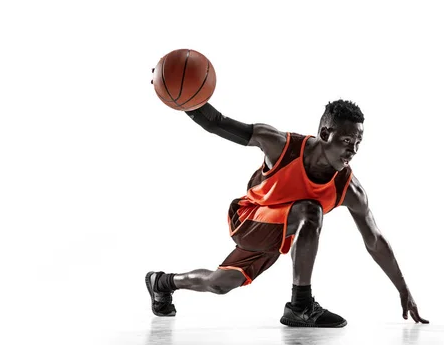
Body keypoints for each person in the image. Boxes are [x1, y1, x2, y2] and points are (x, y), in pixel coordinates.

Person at [145, 100, 429, 327]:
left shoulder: (349, 189)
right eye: (346, 141)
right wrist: (183, 98)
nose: (353, 150)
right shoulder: (281, 146)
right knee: (311, 210)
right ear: (326, 134)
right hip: (249, 218)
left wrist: (403, 289)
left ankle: (163, 282)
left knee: (220, 284)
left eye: (358, 143)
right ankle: (300, 305)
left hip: (280, 231)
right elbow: (217, 123)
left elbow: (374, 240)